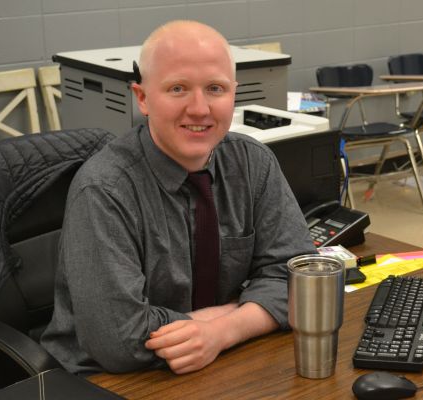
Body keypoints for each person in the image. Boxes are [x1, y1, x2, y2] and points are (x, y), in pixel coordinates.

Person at [41, 20, 316, 375]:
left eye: (215, 88)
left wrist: (222, 329)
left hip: (217, 361)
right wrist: (240, 310)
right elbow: (120, 340)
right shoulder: (104, 190)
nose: (199, 108)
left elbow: (303, 279)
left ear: (234, 93)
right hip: (109, 380)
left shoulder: (253, 163)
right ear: (142, 98)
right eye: (178, 89)